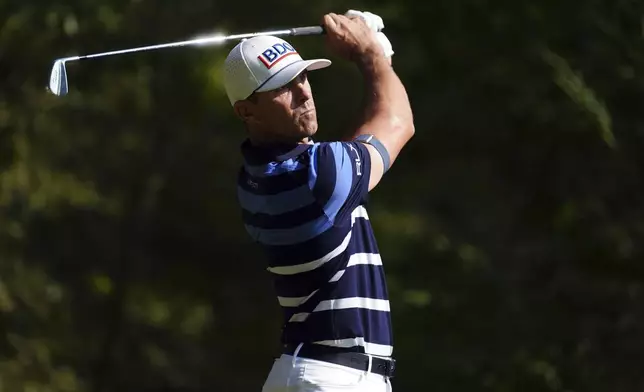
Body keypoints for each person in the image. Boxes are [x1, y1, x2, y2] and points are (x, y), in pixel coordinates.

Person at [223, 10, 414, 392]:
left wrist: (376, 58)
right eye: (282, 87)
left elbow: (358, 145)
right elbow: (396, 122)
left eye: (303, 77)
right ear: (245, 110)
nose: (304, 92)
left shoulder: (253, 179)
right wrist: (372, 57)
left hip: (310, 373)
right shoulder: (319, 174)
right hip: (334, 379)